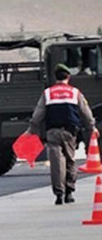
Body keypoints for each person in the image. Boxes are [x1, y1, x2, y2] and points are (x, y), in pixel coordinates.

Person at [27, 64, 98, 205]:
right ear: (68, 77)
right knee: (70, 160)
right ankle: (69, 192)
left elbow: (38, 114)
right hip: (69, 132)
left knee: (56, 163)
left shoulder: (47, 93)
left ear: (55, 77)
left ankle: (59, 194)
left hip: (52, 132)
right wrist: (92, 128)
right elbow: (86, 112)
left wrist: (32, 129)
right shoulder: (75, 92)